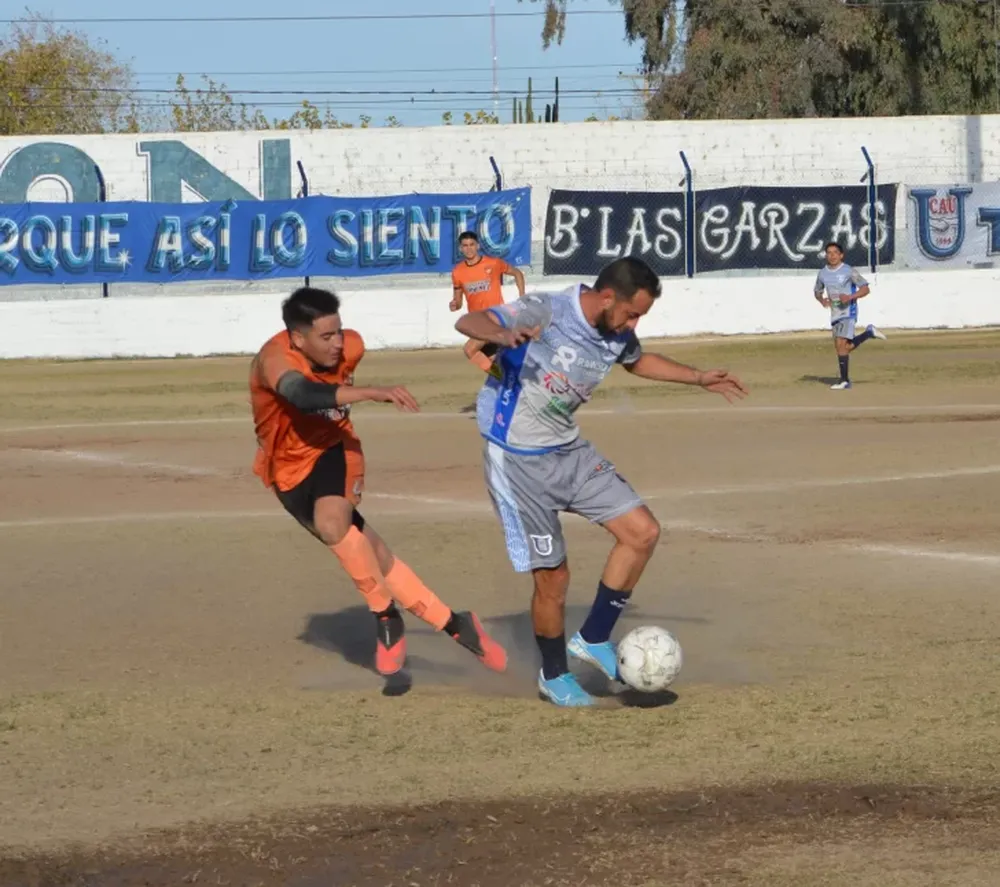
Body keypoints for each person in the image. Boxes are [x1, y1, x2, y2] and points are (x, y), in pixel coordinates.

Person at [454, 257, 748, 707]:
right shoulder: (546, 310)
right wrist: (499, 334)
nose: (633, 324)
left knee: (642, 532)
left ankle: (592, 639)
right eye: (632, 314)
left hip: (568, 452)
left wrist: (697, 377)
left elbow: (637, 359)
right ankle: (553, 675)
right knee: (553, 578)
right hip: (516, 461)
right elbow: (469, 320)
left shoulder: (617, 333)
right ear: (607, 296)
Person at [249, 285, 507, 678]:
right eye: (326, 336)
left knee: (333, 521)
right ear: (297, 338)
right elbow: (301, 395)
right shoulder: (273, 359)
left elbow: (328, 382)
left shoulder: (353, 346)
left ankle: (387, 618)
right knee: (374, 556)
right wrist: (372, 391)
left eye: (339, 331)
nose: (338, 343)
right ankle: (457, 625)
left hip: (336, 450)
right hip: (285, 470)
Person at [813, 241, 887, 390]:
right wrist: (822, 300)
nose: (832, 255)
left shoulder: (848, 271)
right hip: (835, 313)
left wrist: (851, 297)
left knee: (841, 345)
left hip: (848, 311)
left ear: (841, 255)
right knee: (843, 348)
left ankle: (844, 381)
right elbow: (817, 291)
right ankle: (868, 333)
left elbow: (865, 289)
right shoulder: (822, 273)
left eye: (835, 252)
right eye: (829, 253)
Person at [450, 230, 526, 375]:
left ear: (478, 246)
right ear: (460, 248)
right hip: (477, 323)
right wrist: (454, 304)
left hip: (495, 318)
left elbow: (517, 273)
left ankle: (503, 380)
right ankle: (508, 382)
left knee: (470, 350)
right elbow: (458, 301)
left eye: (472, 244)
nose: (469, 248)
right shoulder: (457, 272)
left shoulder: (494, 263)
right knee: (492, 361)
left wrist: (522, 296)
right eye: (465, 245)